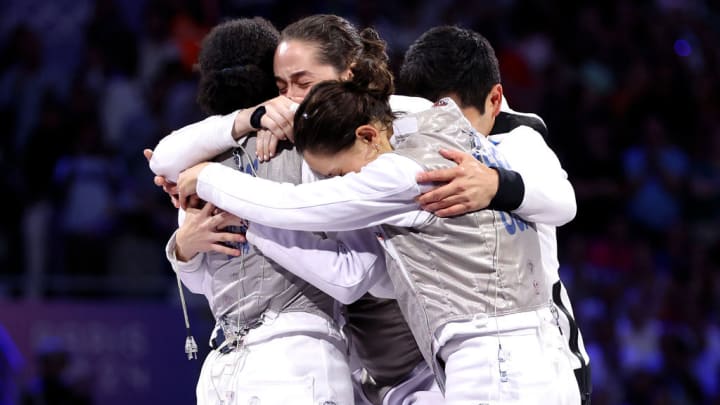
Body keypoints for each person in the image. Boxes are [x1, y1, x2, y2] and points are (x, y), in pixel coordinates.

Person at [173, 50, 581, 404]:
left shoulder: (399, 175)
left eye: (338, 172)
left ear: (367, 135)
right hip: (531, 352)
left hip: (492, 360)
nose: (340, 182)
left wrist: (210, 179)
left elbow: (296, 207)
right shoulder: (443, 128)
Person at [148, 15, 433, 405]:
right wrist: (184, 247)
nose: (292, 98)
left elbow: (355, 273)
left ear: (348, 73)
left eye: (303, 83)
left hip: (406, 365)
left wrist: (242, 211)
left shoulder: (375, 133)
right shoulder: (221, 153)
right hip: (233, 362)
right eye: (282, 87)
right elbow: (164, 162)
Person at [398, 26, 591, 404]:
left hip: (547, 359)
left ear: (494, 99)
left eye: (456, 121)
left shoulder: (519, 138)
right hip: (461, 363)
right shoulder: (409, 144)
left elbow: (564, 202)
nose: (447, 135)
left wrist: (496, 185)